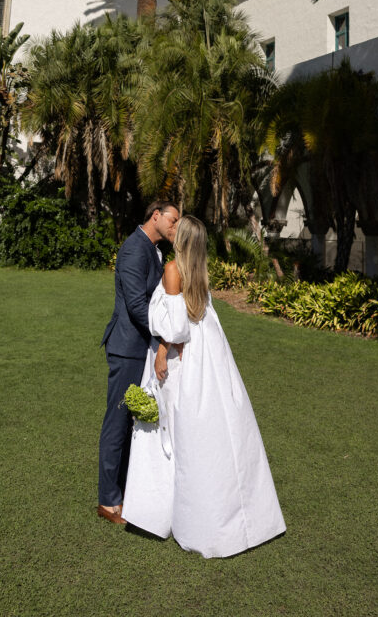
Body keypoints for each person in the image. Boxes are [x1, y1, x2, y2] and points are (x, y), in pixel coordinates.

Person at [122, 215, 286, 558]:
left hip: (184, 362)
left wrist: (161, 354)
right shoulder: (199, 272)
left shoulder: (172, 270)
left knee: (175, 435)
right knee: (215, 433)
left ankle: (170, 511)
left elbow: (176, 329)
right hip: (210, 359)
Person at [97, 200, 179, 524]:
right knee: (116, 423)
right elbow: (136, 304)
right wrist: (164, 336)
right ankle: (107, 501)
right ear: (156, 216)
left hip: (143, 348)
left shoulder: (156, 251)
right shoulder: (133, 249)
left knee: (135, 422)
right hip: (128, 348)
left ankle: (129, 491)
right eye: (173, 220)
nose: (175, 227)